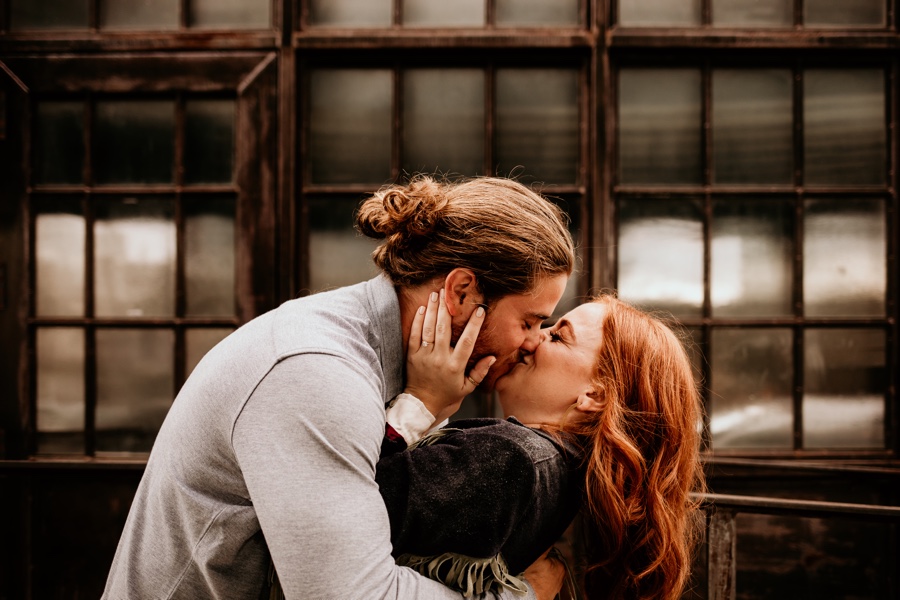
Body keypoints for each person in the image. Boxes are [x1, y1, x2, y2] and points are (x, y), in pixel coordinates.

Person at [101, 175, 576, 600]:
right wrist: (521, 596)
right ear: (462, 292)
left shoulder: (395, 370)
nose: (534, 341)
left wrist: (421, 407)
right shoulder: (316, 374)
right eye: (530, 321)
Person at [375, 292, 706, 600]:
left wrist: (420, 403)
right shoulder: (557, 469)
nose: (532, 339)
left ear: (596, 395)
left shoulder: (510, 456)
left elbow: (342, 508)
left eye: (558, 336)